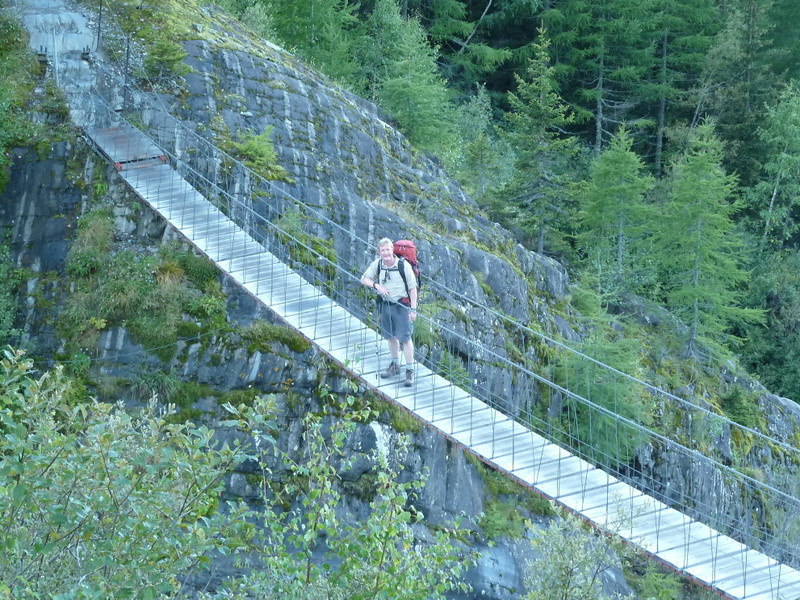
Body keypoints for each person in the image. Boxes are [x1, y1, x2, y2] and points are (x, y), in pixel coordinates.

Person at [361, 238, 418, 387]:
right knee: (390, 335)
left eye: (387, 250)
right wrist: (377, 285)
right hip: (385, 304)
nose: (385, 253)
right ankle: (395, 365)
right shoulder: (378, 264)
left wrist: (413, 309)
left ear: (392, 249)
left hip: (402, 304)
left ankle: (409, 371)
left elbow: (413, 288)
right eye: (382, 250)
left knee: (405, 338)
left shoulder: (403, 265)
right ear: (379, 252)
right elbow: (364, 279)